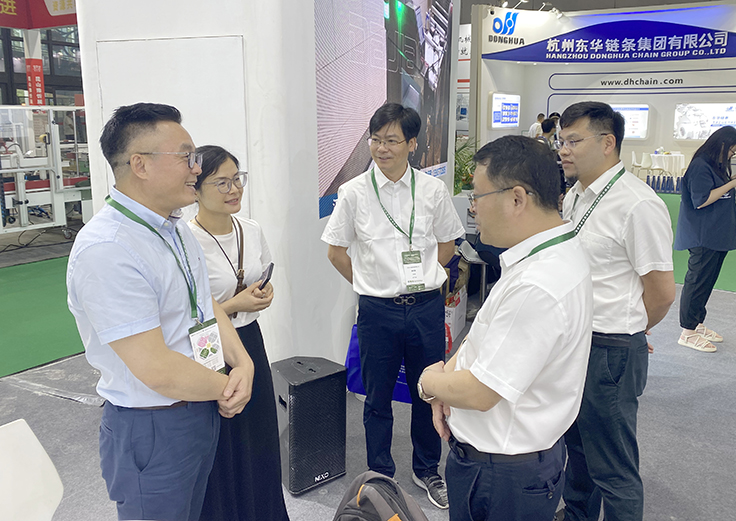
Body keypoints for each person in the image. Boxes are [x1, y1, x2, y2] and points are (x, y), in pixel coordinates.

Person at [66, 103, 254, 521]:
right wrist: (229, 385)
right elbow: (156, 368)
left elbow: (204, 304)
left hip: (199, 404)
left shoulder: (174, 229)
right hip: (153, 424)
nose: (196, 168)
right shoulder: (109, 249)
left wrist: (242, 361)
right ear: (140, 165)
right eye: (186, 157)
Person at [418, 135, 593, 521]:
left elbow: (481, 392)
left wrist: (429, 383)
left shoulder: (537, 284)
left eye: (478, 196)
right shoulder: (550, 254)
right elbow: (485, 335)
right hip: (515, 462)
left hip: (501, 475)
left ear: (516, 199)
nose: (473, 208)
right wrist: (448, 380)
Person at [322, 102, 464, 509]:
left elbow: (448, 244)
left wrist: (422, 278)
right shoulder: (353, 192)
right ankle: (381, 473)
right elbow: (335, 252)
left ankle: (427, 469)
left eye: (392, 140)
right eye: (375, 139)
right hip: (377, 310)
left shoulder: (432, 190)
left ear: (412, 144)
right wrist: (372, 284)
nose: (381, 148)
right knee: (377, 395)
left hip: (425, 307)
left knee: (429, 389)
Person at [558, 101, 675, 521]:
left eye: (574, 140)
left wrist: (632, 327)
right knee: (577, 449)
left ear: (607, 143)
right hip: (574, 344)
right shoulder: (575, 196)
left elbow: (661, 293)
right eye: (561, 140)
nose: (563, 150)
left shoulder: (637, 204)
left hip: (610, 350)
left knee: (613, 464)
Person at [188, 145, 290, 521]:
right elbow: (192, 313)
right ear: (195, 189)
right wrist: (235, 305)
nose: (234, 189)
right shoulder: (187, 240)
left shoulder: (251, 229)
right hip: (209, 350)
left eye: (237, 179)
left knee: (259, 435)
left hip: (249, 341)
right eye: (222, 183)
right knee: (221, 441)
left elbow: (261, 274)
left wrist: (263, 294)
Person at [674, 126, 736, 353]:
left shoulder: (713, 164)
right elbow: (701, 200)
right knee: (697, 281)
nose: (732, 155)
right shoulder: (700, 165)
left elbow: (716, 188)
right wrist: (731, 184)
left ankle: (696, 323)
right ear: (721, 145)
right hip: (703, 235)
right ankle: (687, 331)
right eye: (732, 150)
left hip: (717, 233)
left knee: (707, 281)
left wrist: (732, 179)